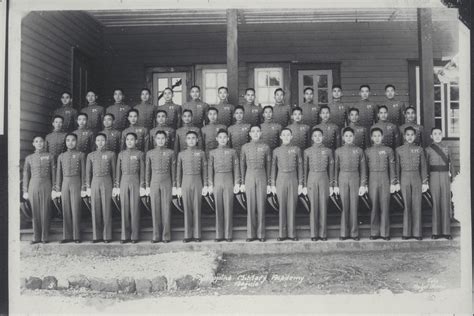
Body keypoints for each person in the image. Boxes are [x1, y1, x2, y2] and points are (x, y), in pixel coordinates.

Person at [334, 127, 368, 241]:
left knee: (354, 205)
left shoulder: (359, 151)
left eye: (350, 136)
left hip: (355, 178)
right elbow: (335, 169)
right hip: (342, 178)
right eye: (346, 136)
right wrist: (335, 184)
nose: (348, 138)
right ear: (343, 137)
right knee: (344, 205)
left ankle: (354, 233)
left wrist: (363, 184)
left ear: (354, 137)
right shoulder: (338, 151)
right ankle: (344, 232)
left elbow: (363, 169)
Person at [395, 126, 428, 240]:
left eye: (412, 135)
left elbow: (423, 166)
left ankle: (417, 233)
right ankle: (407, 232)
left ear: (415, 136)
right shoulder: (399, 150)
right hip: (404, 177)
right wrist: (397, 182)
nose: (410, 137)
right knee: (407, 205)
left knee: (417, 204)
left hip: (416, 177)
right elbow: (397, 167)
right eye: (407, 135)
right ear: (404, 136)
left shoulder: (419, 150)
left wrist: (424, 182)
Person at [240, 125, 272, 242]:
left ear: (261, 133)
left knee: (261, 205)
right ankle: (250, 234)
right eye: (253, 131)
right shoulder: (245, 147)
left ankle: (261, 234)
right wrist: (242, 182)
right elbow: (242, 165)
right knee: (251, 205)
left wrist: (269, 182)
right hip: (249, 176)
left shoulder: (266, 147)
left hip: (262, 175)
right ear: (249, 134)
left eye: (258, 131)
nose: (255, 133)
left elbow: (269, 166)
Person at [208, 129, 240, 242]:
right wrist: (210, 184)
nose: (222, 139)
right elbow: (210, 169)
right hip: (217, 179)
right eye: (220, 137)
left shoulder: (232, 152)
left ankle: (228, 235)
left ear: (228, 139)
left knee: (228, 207)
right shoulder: (212, 153)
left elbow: (236, 167)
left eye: (224, 137)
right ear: (217, 139)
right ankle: (219, 235)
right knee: (219, 207)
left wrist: (237, 182)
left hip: (229, 179)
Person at [271, 128, 303, 241]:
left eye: (288, 135)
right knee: (282, 206)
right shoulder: (276, 151)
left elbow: (300, 166)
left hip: (293, 178)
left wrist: (300, 183)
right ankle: (282, 234)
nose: (286, 137)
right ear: (280, 137)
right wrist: (273, 184)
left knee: (292, 205)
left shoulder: (296, 149)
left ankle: (292, 234)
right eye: (284, 135)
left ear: (291, 136)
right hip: (281, 178)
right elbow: (273, 167)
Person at [425, 127, 457, 240]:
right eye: (435, 134)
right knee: (436, 203)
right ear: (431, 136)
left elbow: (451, 163)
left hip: (445, 176)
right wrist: (426, 181)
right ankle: (436, 232)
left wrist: (453, 179)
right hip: (433, 176)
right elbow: (425, 167)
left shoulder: (447, 148)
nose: (437, 136)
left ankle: (446, 232)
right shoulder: (428, 150)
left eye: (439, 133)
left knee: (445, 203)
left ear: (442, 135)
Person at [22, 136, 55, 244]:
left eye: (41, 141)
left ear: (44, 143)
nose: (39, 143)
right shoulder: (29, 158)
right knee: (35, 211)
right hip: (33, 185)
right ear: (33, 144)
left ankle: (45, 237)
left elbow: (53, 174)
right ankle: (36, 237)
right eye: (36, 141)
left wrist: (54, 188)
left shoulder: (50, 156)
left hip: (46, 184)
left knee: (46, 210)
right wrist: (25, 190)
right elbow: (26, 174)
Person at [176, 131, 208, 242]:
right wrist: (178, 186)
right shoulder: (181, 154)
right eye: (189, 138)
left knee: (197, 208)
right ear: (185, 140)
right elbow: (178, 171)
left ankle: (197, 235)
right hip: (185, 181)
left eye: (193, 138)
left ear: (197, 140)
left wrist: (205, 185)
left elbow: (205, 170)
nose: (191, 140)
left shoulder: (201, 153)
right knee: (187, 208)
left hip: (197, 181)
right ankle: (187, 235)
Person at [365, 128, 397, 240]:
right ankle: (374, 232)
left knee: (385, 205)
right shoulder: (367, 151)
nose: (377, 138)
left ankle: (385, 233)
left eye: (379, 135)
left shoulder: (388, 150)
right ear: (371, 138)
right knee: (374, 206)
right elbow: (365, 169)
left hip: (385, 178)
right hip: (372, 179)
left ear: (382, 137)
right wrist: (364, 184)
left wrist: (393, 182)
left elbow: (392, 167)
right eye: (375, 136)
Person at [54, 133, 86, 243]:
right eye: (68, 140)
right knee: (66, 209)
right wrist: (57, 189)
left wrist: (83, 187)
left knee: (76, 208)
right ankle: (67, 236)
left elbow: (83, 172)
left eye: (73, 140)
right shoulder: (61, 156)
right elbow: (58, 173)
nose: (70, 142)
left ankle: (77, 236)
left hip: (76, 182)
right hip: (65, 183)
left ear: (76, 142)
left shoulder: (81, 155)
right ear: (65, 142)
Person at [303, 128, 334, 241]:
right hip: (312, 178)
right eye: (315, 136)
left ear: (323, 137)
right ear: (312, 138)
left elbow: (331, 168)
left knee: (323, 206)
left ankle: (323, 233)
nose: (317, 138)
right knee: (314, 206)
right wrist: (304, 185)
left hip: (324, 178)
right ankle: (313, 234)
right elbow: (305, 168)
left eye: (319, 135)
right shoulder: (307, 151)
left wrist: (332, 184)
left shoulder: (328, 151)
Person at [145, 131, 177, 243]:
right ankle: (156, 235)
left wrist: (174, 185)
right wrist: (147, 185)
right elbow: (147, 171)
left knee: (166, 208)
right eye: (158, 138)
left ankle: (166, 235)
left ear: (166, 139)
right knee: (155, 208)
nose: (160, 140)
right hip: (154, 182)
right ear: (155, 140)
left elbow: (173, 171)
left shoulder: (171, 153)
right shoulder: (150, 153)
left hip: (167, 181)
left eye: (163, 138)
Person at [115, 132, 146, 243]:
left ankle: (135, 236)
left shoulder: (140, 154)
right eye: (127, 139)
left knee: (135, 208)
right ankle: (125, 236)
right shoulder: (121, 154)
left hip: (135, 180)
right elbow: (118, 171)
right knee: (124, 208)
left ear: (136, 141)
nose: (129, 141)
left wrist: (142, 185)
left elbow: (142, 171)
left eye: (132, 139)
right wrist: (117, 186)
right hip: (124, 181)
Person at [85, 133, 116, 243]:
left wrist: (115, 186)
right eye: (98, 140)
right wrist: (88, 187)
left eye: (102, 140)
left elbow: (114, 171)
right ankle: (96, 236)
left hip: (107, 181)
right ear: (95, 142)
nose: (100, 142)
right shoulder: (91, 155)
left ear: (106, 141)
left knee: (106, 208)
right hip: (95, 182)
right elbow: (88, 172)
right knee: (95, 208)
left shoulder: (111, 154)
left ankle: (107, 236)